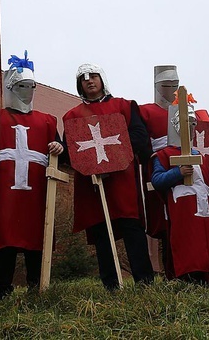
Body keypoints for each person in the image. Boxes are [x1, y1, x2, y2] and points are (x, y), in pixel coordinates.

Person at [62, 63, 154, 290]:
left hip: (122, 180)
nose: (89, 81)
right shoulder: (72, 116)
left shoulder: (123, 106)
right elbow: (70, 148)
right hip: (93, 183)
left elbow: (140, 137)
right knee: (102, 230)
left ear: (102, 79)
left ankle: (145, 282)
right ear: (79, 85)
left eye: (93, 76)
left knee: (131, 227)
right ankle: (111, 285)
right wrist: (59, 149)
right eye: (84, 79)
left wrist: (113, 156)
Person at [0, 52, 64, 300]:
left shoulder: (47, 121)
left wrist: (59, 149)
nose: (27, 91)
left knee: (36, 239)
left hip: (35, 191)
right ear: (10, 87)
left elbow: (61, 152)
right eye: (21, 86)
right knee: (4, 242)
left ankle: (37, 288)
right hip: (4, 191)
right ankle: (0, 291)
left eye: (31, 86)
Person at [151, 101, 209, 281]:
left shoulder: (200, 155)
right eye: (187, 125)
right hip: (184, 206)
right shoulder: (163, 155)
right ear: (176, 126)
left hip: (206, 205)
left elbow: (202, 180)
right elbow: (157, 180)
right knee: (190, 241)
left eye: (193, 125)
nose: (191, 129)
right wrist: (178, 172)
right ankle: (191, 274)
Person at [138, 65, 180, 276]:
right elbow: (141, 141)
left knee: (183, 214)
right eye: (166, 85)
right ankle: (168, 270)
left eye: (175, 85)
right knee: (164, 220)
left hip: (184, 167)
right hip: (159, 167)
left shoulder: (185, 110)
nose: (171, 89)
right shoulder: (145, 111)